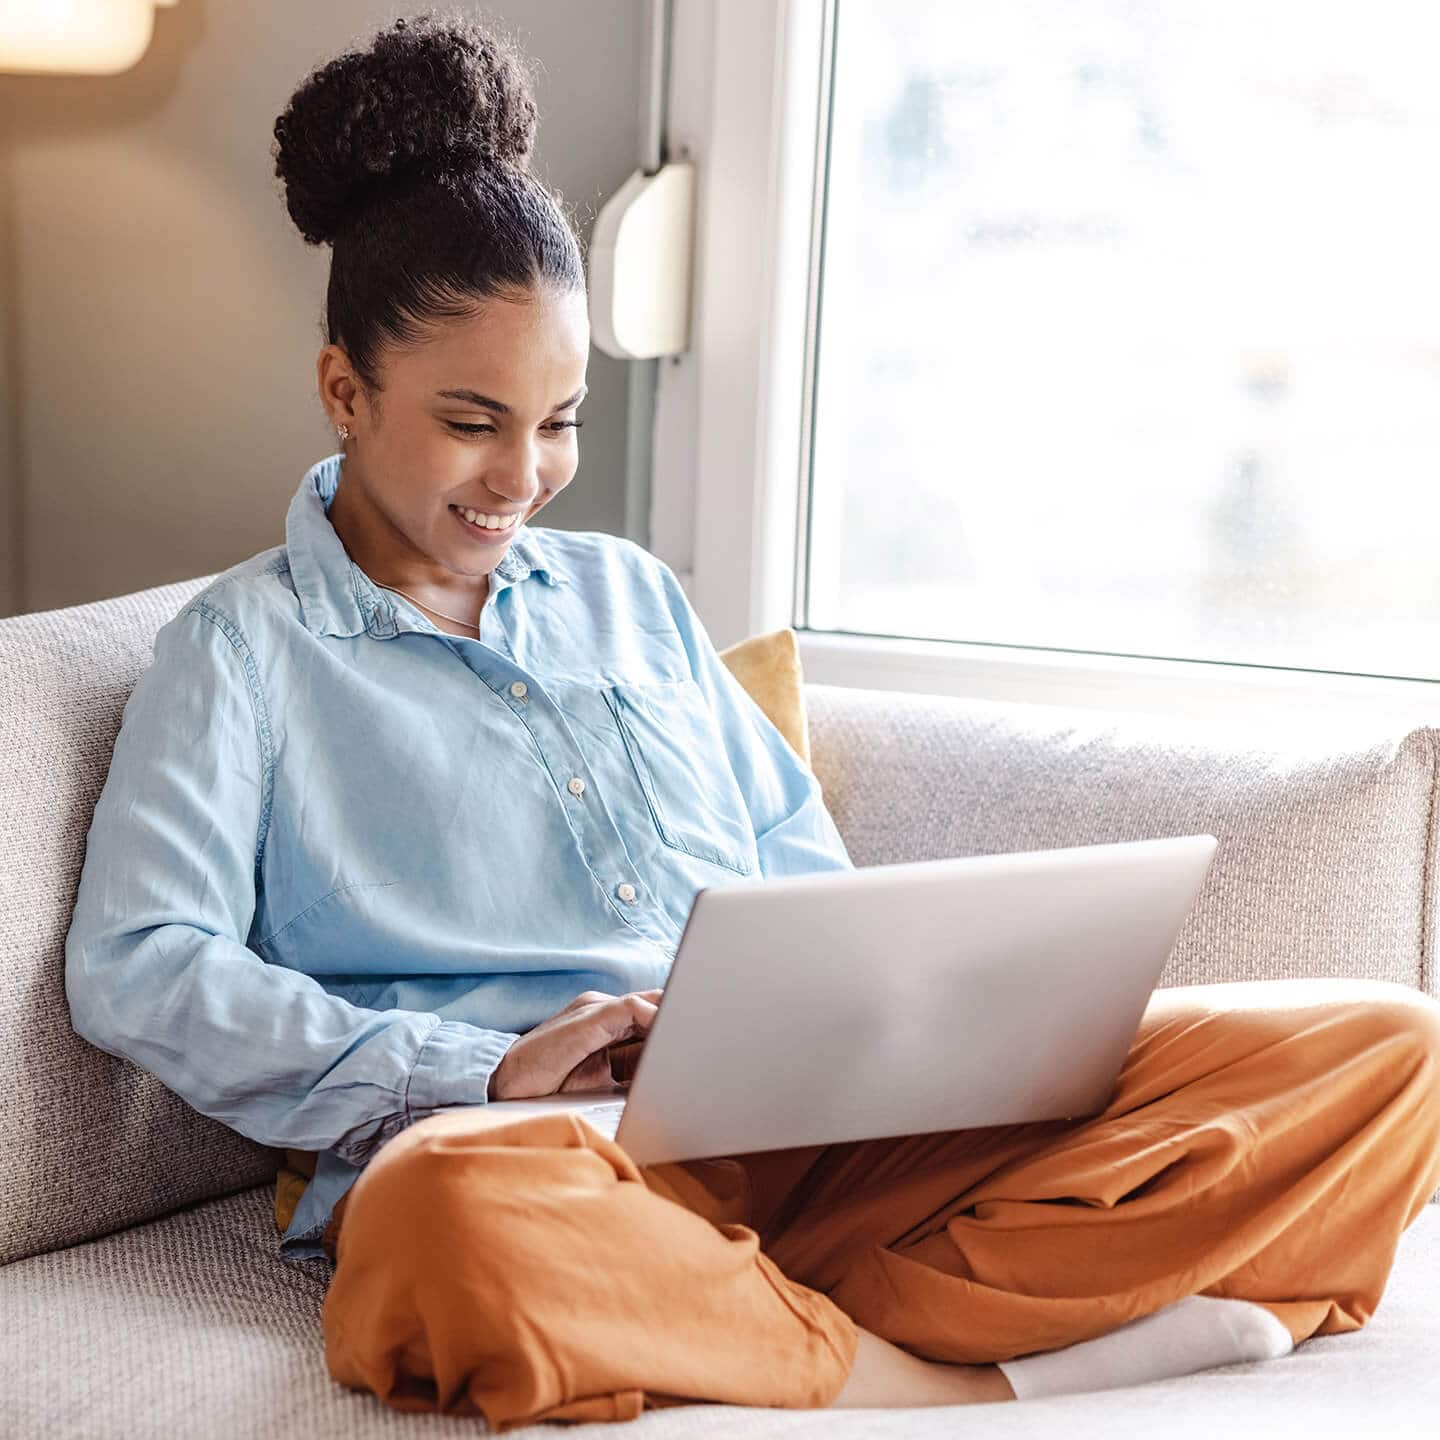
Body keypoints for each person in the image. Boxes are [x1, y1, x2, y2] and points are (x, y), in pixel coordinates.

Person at [63, 9, 1440, 1431]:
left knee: (1383, 1048)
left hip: (803, 1132)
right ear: (346, 390)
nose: (528, 474)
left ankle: (747, 1320)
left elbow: (795, 863)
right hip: (531, 1154)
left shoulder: (631, 598)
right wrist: (479, 1069)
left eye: (561, 419)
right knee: (442, 1224)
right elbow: (139, 965)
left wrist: (901, 1030)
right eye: (474, 422)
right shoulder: (239, 653)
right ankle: (926, 1371)